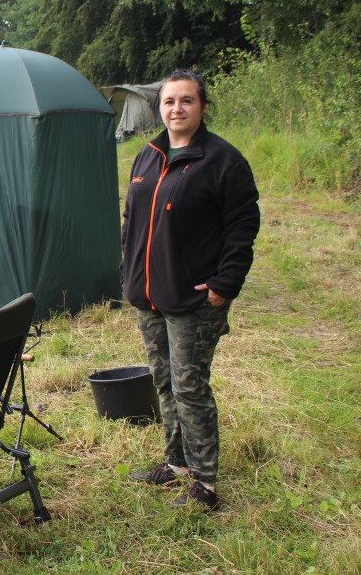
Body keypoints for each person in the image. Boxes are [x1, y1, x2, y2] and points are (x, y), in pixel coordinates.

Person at [121, 69, 260, 510]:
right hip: (150, 295)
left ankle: (205, 483)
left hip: (194, 298)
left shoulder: (222, 160)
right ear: (158, 107)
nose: (176, 109)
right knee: (164, 381)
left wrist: (225, 283)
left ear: (201, 106)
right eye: (168, 102)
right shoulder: (148, 155)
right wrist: (128, 274)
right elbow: (132, 220)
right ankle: (177, 464)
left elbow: (242, 225)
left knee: (189, 385)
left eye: (186, 101)